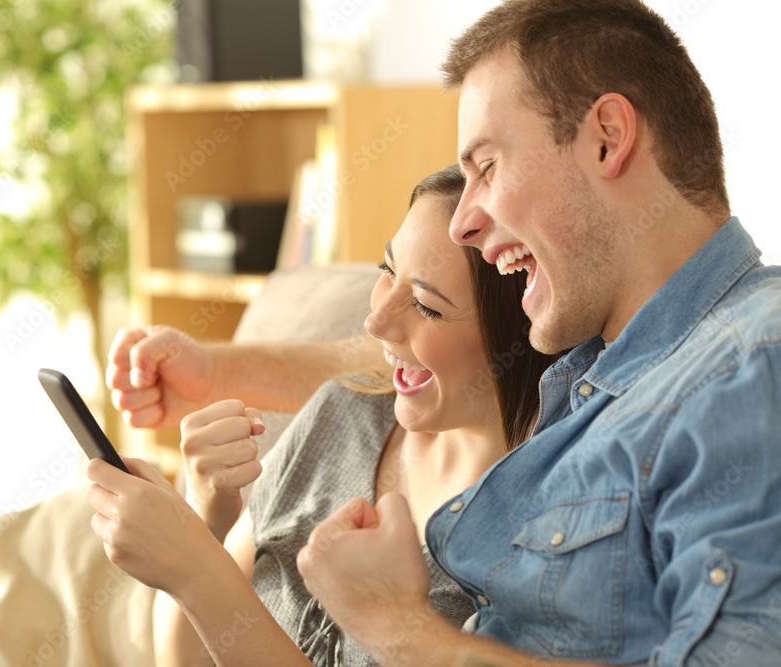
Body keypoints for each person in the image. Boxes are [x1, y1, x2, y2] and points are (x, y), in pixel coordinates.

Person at [113, 1, 781, 664]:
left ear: (607, 136)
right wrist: (219, 374)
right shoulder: (597, 367)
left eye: (487, 166)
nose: (465, 221)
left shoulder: (751, 366)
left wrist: (400, 629)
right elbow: (387, 358)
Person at [88, 164, 556, 666]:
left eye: (426, 306)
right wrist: (205, 518)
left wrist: (195, 568)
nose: (376, 322)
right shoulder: (341, 413)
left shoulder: (523, 543)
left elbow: (202, 584)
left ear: (518, 341)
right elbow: (185, 660)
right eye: (387, 271)